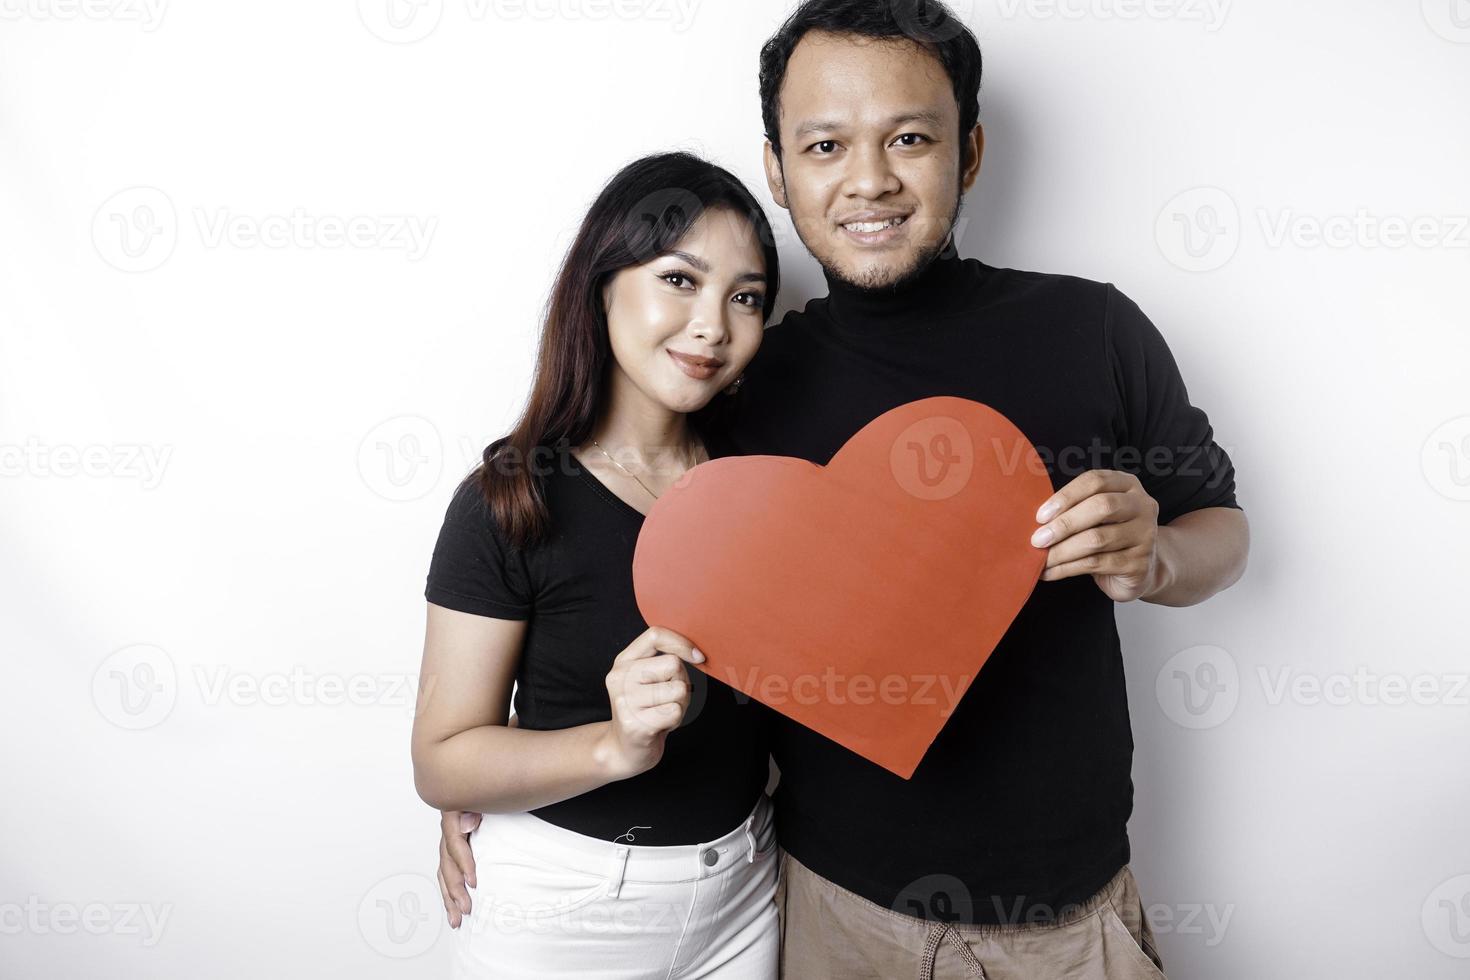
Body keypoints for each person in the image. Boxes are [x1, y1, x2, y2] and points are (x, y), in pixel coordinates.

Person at [439, 2, 1251, 976]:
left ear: (972, 150)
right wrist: (499, 784)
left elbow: (1222, 529)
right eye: (825, 144)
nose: (870, 178)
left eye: (911, 137)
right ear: (779, 170)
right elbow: (629, 573)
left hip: (1068, 912)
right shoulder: (738, 389)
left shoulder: (1094, 330)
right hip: (826, 906)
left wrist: (1156, 552)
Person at [411, 150, 784, 979]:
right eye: (680, 280)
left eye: (746, 297)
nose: (714, 325)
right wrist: (613, 745)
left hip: (748, 891)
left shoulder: (765, 488)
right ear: (602, 282)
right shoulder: (512, 501)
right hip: (566, 909)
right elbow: (442, 759)